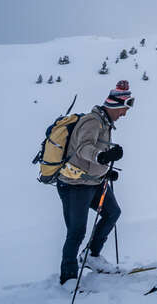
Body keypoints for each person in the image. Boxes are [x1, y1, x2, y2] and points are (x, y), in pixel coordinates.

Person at [56, 81, 132, 286]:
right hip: (74, 185)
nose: (124, 114)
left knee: (113, 212)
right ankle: (68, 277)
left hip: (93, 181)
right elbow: (83, 149)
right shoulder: (93, 121)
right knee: (77, 230)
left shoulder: (105, 123)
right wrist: (103, 157)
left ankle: (91, 255)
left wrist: (106, 172)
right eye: (124, 109)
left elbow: (91, 156)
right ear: (115, 105)